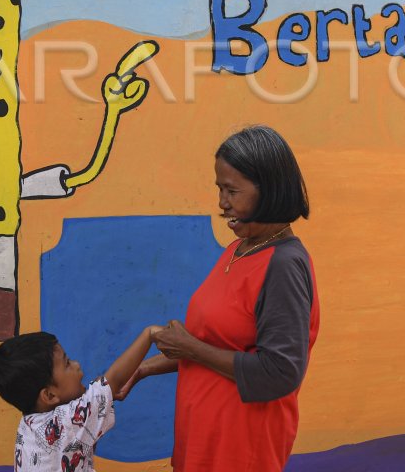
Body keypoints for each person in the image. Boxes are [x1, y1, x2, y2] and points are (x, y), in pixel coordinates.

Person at [117, 125, 319, 472]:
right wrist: (149, 367)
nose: (222, 203)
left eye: (232, 191)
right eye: (219, 189)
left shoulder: (284, 264)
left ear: (268, 191)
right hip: (204, 443)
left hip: (240, 449)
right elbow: (222, 346)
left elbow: (281, 372)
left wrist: (190, 348)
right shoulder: (237, 251)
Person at [0, 325, 160, 471]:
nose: (77, 365)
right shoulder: (65, 423)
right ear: (49, 395)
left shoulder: (29, 425)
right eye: (67, 363)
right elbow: (113, 380)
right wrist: (149, 334)